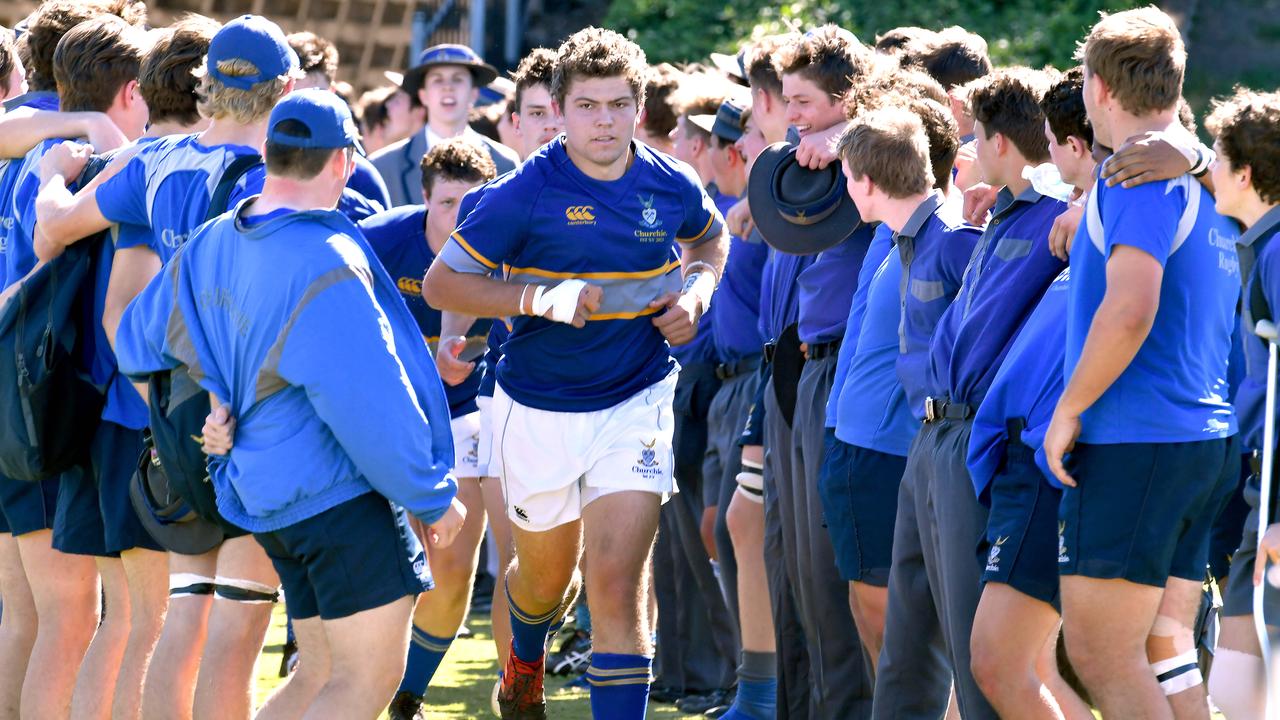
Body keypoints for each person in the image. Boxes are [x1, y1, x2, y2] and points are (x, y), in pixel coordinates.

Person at [114, 88, 465, 719]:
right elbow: (366, 402)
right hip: (335, 498)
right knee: (367, 677)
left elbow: (138, 345)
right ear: (343, 163)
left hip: (268, 496)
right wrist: (431, 495)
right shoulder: (325, 260)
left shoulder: (215, 238)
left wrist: (209, 412)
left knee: (321, 674)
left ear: (270, 153)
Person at [423, 27, 729, 719]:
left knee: (616, 585)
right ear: (558, 110)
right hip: (539, 404)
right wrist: (538, 298)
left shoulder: (668, 179)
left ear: (638, 105)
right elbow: (443, 287)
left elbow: (710, 237)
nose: (605, 121)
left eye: (619, 104)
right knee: (542, 584)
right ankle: (525, 657)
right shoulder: (520, 194)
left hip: (638, 396)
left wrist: (697, 295)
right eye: (588, 105)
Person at [33, 15, 299, 720]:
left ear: (205, 86)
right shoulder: (280, 181)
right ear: (288, 88)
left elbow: (62, 242)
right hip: (249, 420)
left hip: (161, 419)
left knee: (167, 621)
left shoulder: (156, 162)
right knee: (231, 631)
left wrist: (164, 396)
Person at [1042, 8, 1241, 718]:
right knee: (1165, 648)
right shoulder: (1203, 176)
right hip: (1197, 442)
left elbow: (1130, 309)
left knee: (1101, 655)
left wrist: (1067, 408)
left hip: (1139, 441)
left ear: (1095, 86)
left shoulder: (1138, 176)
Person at [838, 106, 980, 720]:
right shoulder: (905, 239)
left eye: (847, 176)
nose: (846, 188)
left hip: (951, 439)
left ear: (866, 181)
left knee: (953, 628)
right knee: (908, 633)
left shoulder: (951, 240)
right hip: (924, 440)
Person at [358, 137, 497, 720]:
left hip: (469, 414)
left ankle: (408, 693)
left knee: (454, 560)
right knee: (385, 556)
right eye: (446, 203)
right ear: (423, 200)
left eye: (470, 202)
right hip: (388, 414)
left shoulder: (507, 246)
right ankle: (360, 672)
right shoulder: (383, 240)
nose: (458, 215)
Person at [1202, 87, 1280, 720]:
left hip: (1279, 505)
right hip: (1262, 496)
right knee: (1236, 690)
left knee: (1260, 690)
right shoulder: (1260, 244)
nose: (1209, 169)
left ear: (1246, 173)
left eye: (1217, 158)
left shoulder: (1279, 255)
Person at [371, 43, 518, 206]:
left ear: (474, 93)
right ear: (423, 95)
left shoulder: (505, 162)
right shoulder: (384, 166)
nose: (447, 87)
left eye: (458, 79)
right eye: (437, 80)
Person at [286, 29, 392, 212]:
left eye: (315, 98)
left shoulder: (360, 177)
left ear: (332, 92)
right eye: (294, 98)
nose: (305, 110)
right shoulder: (254, 167)